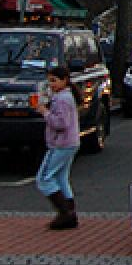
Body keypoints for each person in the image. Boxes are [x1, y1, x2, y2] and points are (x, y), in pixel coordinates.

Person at [35, 65, 81, 230]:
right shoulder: (65, 97)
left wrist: (44, 112)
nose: (52, 85)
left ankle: (64, 213)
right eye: (50, 81)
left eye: (54, 81)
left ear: (64, 80)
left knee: (44, 178)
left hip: (61, 144)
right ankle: (71, 213)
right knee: (61, 178)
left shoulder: (61, 99)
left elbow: (61, 123)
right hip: (70, 142)